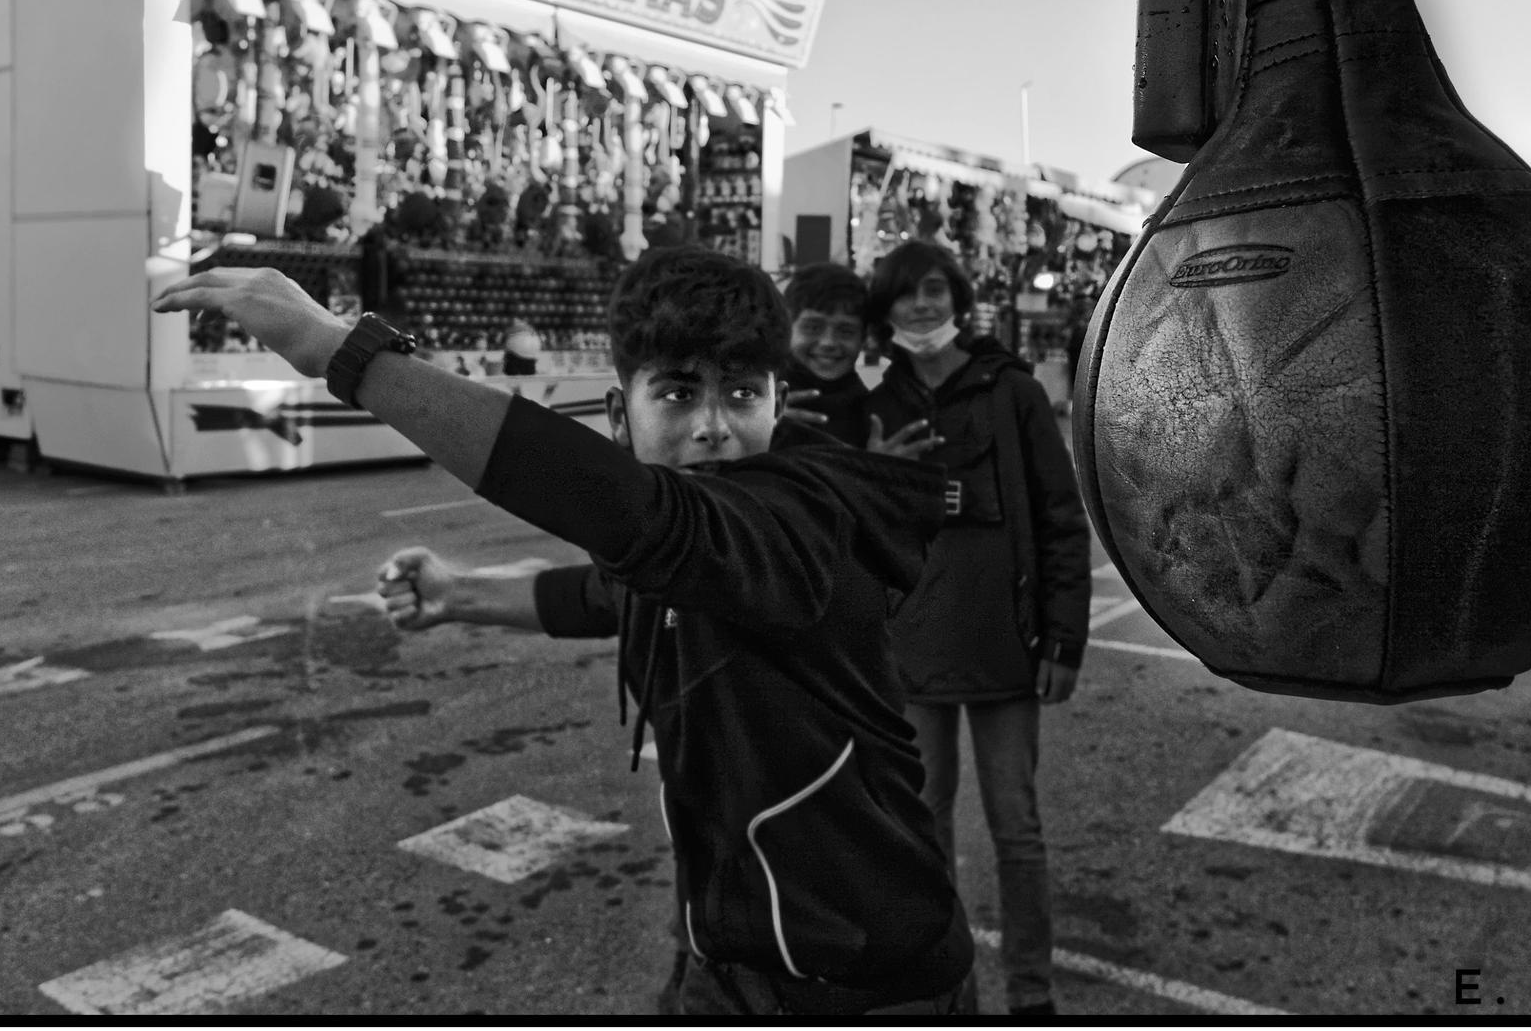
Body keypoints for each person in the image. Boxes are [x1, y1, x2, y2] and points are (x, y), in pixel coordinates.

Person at [153, 246, 976, 1016]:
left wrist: (341, 349)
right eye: (680, 393)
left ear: (779, 401)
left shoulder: (797, 519)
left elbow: (636, 518)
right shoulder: (691, 551)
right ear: (623, 414)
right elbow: (606, 594)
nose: (714, 427)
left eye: (742, 392)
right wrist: (457, 595)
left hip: (876, 979)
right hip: (731, 957)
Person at [864, 240, 1094, 1019]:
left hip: (1009, 647)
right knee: (923, 834)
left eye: (934, 291)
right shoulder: (876, 399)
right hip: (911, 654)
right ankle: (947, 991)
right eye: (905, 295)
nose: (921, 306)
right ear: (886, 310)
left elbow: (1063, 517)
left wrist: (1065, 638)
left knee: (1017, 829)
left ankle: (1032, 994)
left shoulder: (1012, 391)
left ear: (958, 299)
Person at [778, 262, 872, 447]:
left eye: (845, 331)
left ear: (863, 338)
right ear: (786, 329)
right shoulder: (755, 397)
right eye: (813, 327)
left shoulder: (873, 413)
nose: (828, 342)